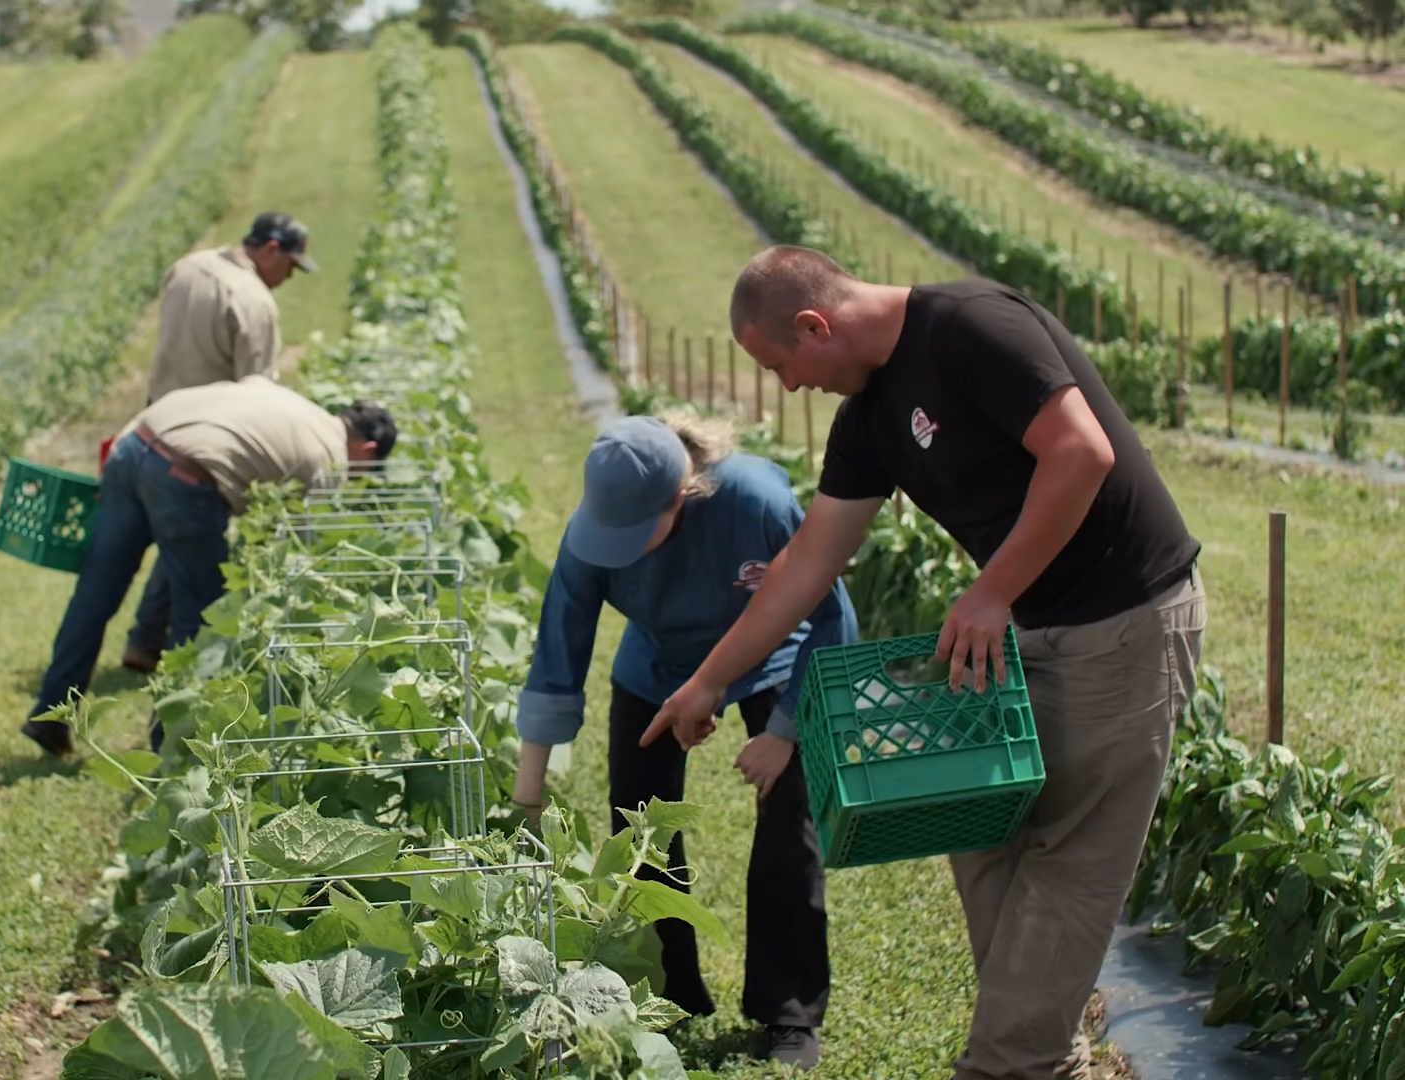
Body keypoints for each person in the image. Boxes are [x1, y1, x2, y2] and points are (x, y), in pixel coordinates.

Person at [646, 246, 1205, 1080]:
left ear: (814, 324)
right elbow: (809, 562)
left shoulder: (974, 327)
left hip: (1123, 620)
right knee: (980, 825)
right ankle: (1047, 1055)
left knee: (1071, 858)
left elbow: (1082, 453)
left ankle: (1010, 1064)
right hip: (1026, 632)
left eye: (783, 365)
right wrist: (710, 681)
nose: (790, 387)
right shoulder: (870, 418)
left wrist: (989, 593)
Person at [511, 413, 857, 1072]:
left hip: (775, 663)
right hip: (659, 668)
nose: (624, 549)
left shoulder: (757, 503)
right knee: (638, 830)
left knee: (791, 822)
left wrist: (784, 733)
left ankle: (788, 1012)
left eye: (636, 536)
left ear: (683, 495)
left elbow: (832, 620)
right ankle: (671, 994)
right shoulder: (589, 536)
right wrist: (529, 794)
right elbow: (558, 655)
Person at [23, 376, 395, 757]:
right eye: (366, 471)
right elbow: (298, 551)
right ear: (366, 450)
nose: (357, 480)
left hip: (134, 445)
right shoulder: (328, 460)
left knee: (96, 592)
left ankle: (49, 716)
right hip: (184, 476)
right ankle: (168, 744)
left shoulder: (294, 404)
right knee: (200, 616)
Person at [126, 212, 318, 673]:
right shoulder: (255, 301)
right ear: (271, 250)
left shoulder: (189, 267)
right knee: (192, 541)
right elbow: (259, 391)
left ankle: (145, 638)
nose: (288, 278)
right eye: (290, 266)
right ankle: (173, 650)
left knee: (152, 540)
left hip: (155, 424)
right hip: (206, 443)